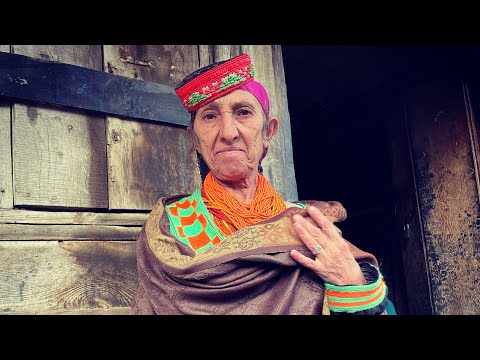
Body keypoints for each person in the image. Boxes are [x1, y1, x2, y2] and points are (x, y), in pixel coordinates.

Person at [131, 53, 391, 315]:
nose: (228, 132)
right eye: (210, 116)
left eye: (243, 112)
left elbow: (377, 305)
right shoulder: (169, 226)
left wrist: (353, 285)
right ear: (195, 139)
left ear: (268, 132)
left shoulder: (309, 223)